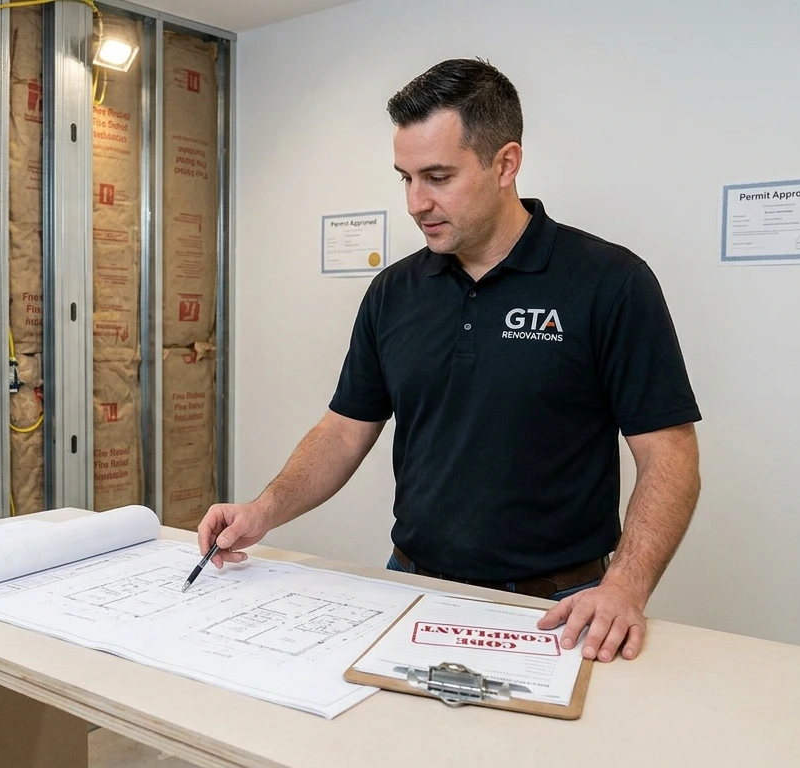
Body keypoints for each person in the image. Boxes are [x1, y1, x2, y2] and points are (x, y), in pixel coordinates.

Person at [198, 58, 701, 664]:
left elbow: (669, 455)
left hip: (558, 606)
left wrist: (625, 586)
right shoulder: (393, 292)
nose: (416, 202)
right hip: (411, 585)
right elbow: (343, 430)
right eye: (405, 178)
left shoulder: (610, 282)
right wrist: (263, 510)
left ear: (505, 164)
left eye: (437, 176)